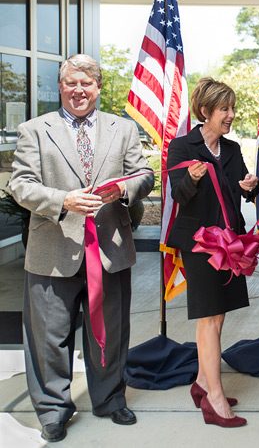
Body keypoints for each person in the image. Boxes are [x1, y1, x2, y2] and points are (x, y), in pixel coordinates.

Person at [9, 54, 154, 443]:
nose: (78, 90)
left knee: (109, 334)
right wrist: (62, 200)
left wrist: (125, 188)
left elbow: (144, 174)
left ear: (98, 87)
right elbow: (20, 184)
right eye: (71, 83)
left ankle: (109, 400)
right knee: (49, 339)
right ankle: (53, 411)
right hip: (53, 251)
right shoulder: (35, 130)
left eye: (86, 84)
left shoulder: (123, 129)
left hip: (108, 250)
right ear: (60, 86)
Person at [165, 78, 259, 428]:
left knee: (218, 318)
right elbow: (179, 196)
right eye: (225, 109)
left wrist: (251, 187)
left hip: (230, 243)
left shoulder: (232, 149)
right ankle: (215, 400)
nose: (231, 115)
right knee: (208, 318)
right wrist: (191, 178)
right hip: (199, 244)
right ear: (205, 112)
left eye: (232, 109)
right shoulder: (182, 147)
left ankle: (203, 383)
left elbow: (241, 189)